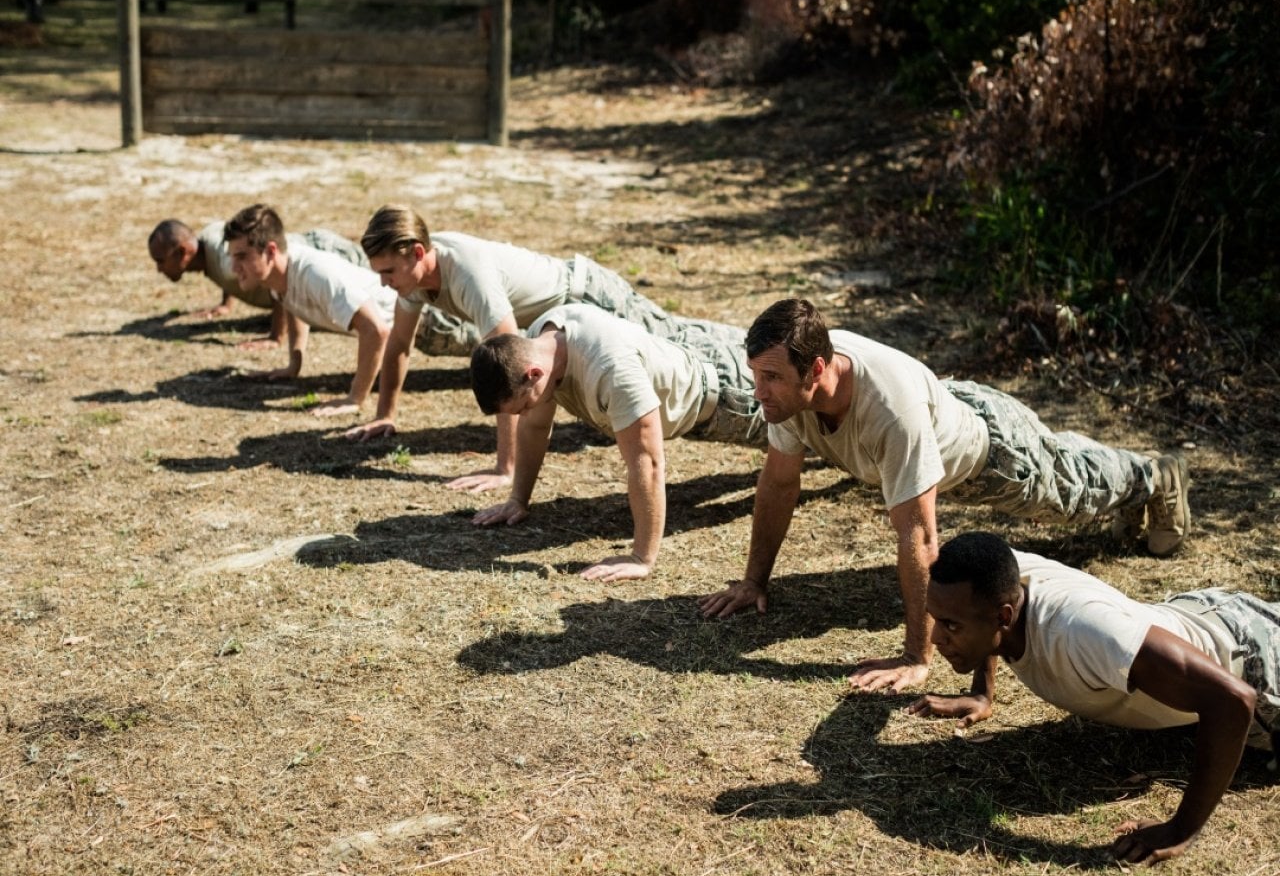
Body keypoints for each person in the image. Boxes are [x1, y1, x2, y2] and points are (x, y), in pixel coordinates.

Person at [699, 298, 1191, 693]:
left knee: (1074, 492)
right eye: (755, 376)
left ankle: (1154, 476)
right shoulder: (788, 396)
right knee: (1075, 483)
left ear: (817, 369)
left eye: (771, 378)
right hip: (944, 409)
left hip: (993, 451)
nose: (758, 391)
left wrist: (917, 657)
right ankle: (1140, 482)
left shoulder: (890, 411)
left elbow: (920, 534)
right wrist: (752, 582)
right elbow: (780, 482)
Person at [911, 530, 1278, 864]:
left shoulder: (1082, 633)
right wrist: (982, 694)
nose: (936, 639)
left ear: (1004, 617)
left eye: (951, 626)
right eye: (937, 620)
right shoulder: (998, 578)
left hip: (1254, 657)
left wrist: (1181, 829)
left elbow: (1233, 700)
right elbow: (991, 581)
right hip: (1194, 617)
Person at [343, 204, 689, 493]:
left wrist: (504, 469)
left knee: (682, 345)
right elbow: (400, 344)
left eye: (388, 271)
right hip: (560, 320)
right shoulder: (413, 280)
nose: (383, 283)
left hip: (591, 297)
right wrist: (384, 415)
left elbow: (509, 373)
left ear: (418, 252)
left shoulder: (469, 276)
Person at [469, 303, 765, 582]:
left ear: (533, 374)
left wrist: (641, 558)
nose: (523, 414)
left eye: (522, 406)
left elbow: (647, 462)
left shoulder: (610, 369)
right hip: (688, 358)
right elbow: (534, 428)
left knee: (804, 436)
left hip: (728, 399)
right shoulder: (538, 342)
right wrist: (517, 500)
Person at [223, 204, 397, 417]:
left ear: (270, 251)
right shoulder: (278, 276)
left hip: (433, 322)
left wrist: (354, 398)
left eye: (241, 256)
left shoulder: (315, 274)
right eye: (232, 257)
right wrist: (293, 365)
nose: (233, 267)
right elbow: (294, 304)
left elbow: (376, 330)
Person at [147, 217, 368, 349]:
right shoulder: (210, 246)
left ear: (183, 252)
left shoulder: (225, 262)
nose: (158, 269)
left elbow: (282, 270)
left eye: (160, 261)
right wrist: (226, 304)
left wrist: (276, 336)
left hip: (333, 255)